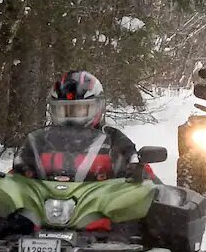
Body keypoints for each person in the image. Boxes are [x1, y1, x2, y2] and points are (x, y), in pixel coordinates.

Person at [13, 70, 144, 182]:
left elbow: (143, 174)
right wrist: (22, 169)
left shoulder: (113, 139)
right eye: (63, 111)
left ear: (98, 108)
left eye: (80, 110)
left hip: (103, 205)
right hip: (46, 204)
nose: (72, 118)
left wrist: (135, 169)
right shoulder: (41, 140)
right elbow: (15, 174)